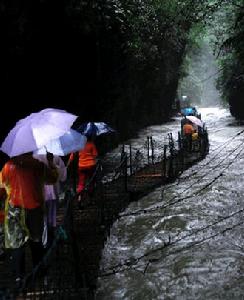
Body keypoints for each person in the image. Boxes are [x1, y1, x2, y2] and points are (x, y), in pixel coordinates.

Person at [0, 152, 58, 286]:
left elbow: (1, 190)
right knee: (36, 242)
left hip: (14, 210)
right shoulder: (38, 165)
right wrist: (50, 163)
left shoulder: (7, 166)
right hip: (35, 209)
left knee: (16, 244)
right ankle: (39, 273)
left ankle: (19, 279)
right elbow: (53, 179)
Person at [33, 154, 67, 248]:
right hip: (52, 193)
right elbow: (63, 176)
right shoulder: (55, 156)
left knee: (43, 219)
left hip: (40, 193)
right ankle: (51, 241)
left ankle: (45, 243)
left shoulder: (34, 157)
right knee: (52, 219)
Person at [68, 135, 98, 203]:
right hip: (91, 165)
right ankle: (90, 199)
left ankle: (79, 197)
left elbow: (72, 156)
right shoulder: (91, 144)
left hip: (81, 166)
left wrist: (68, 164)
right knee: (91, 182)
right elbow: (95, 155)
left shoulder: (79, 145)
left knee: (81, 183)